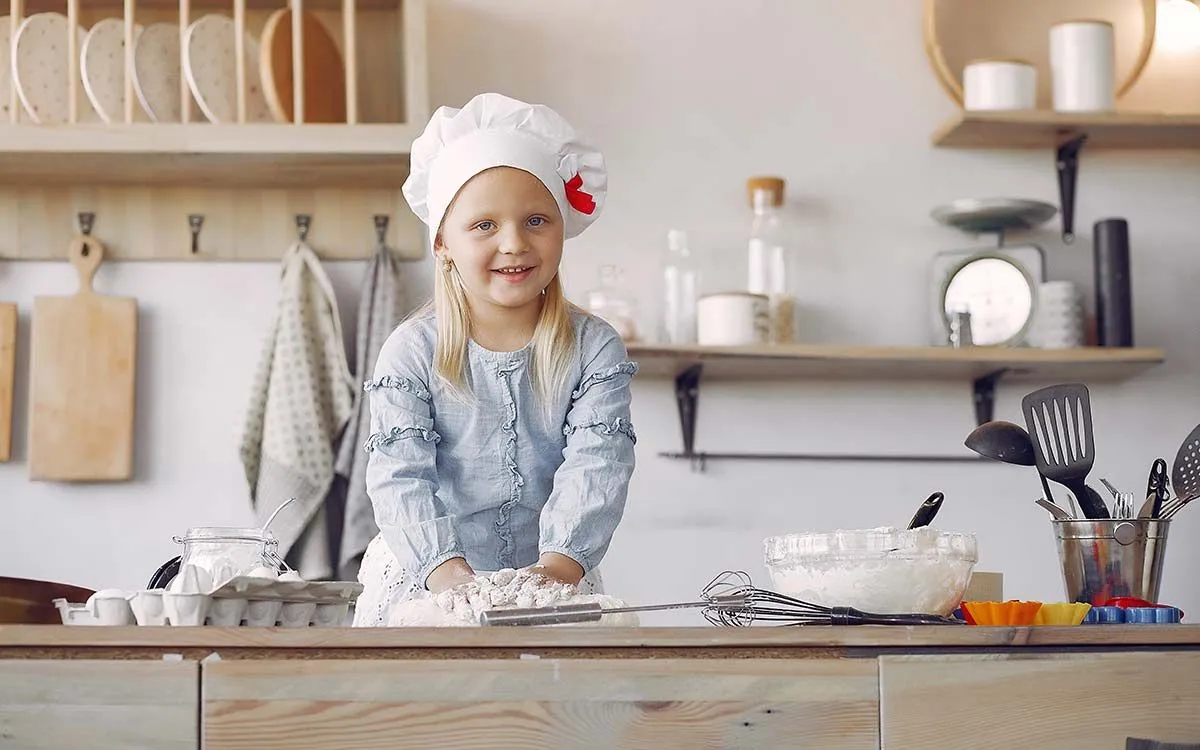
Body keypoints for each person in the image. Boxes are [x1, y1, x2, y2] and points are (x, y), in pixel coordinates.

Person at [351, 92, 639, 627]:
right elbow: (399, 477)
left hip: (552, 584)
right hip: (426, 584)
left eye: (535, 220)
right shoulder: (412, 351)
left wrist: (555, 571)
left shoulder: (595, 347)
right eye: (484, 225)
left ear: (561, 229)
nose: (514, 244)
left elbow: (599, 464)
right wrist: (450, 580)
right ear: (442, 242)